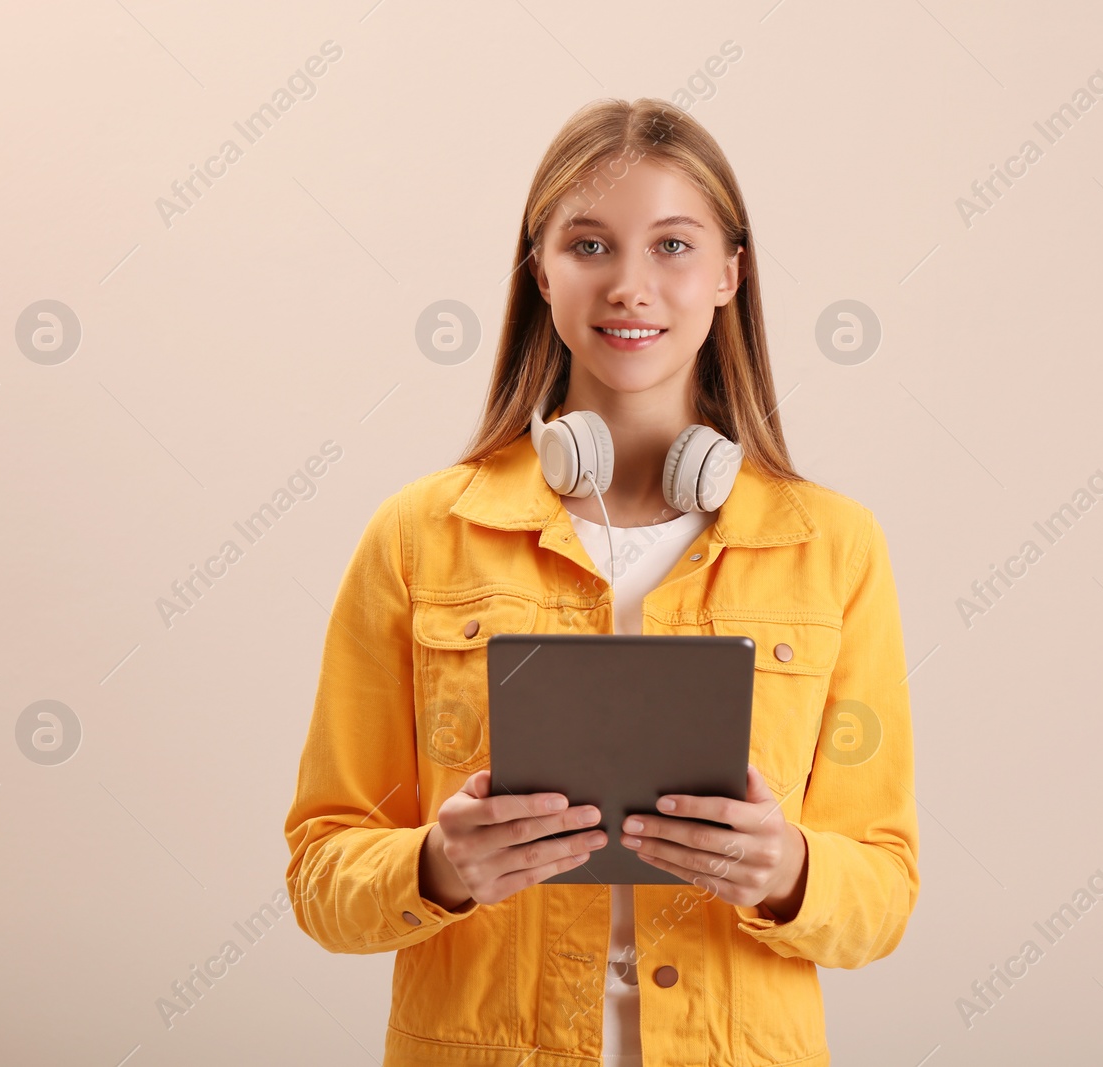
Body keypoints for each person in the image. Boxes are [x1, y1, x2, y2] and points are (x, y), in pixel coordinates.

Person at [284, 97, 919, 1067]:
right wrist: (436, 865)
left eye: (672, 244)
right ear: (540, 269)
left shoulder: (832, 545)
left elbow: (880, 893)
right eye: (589, 244)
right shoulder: (419, 536)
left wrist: (789, 870)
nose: (630, 285)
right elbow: (322, 869)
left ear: (727, 274)